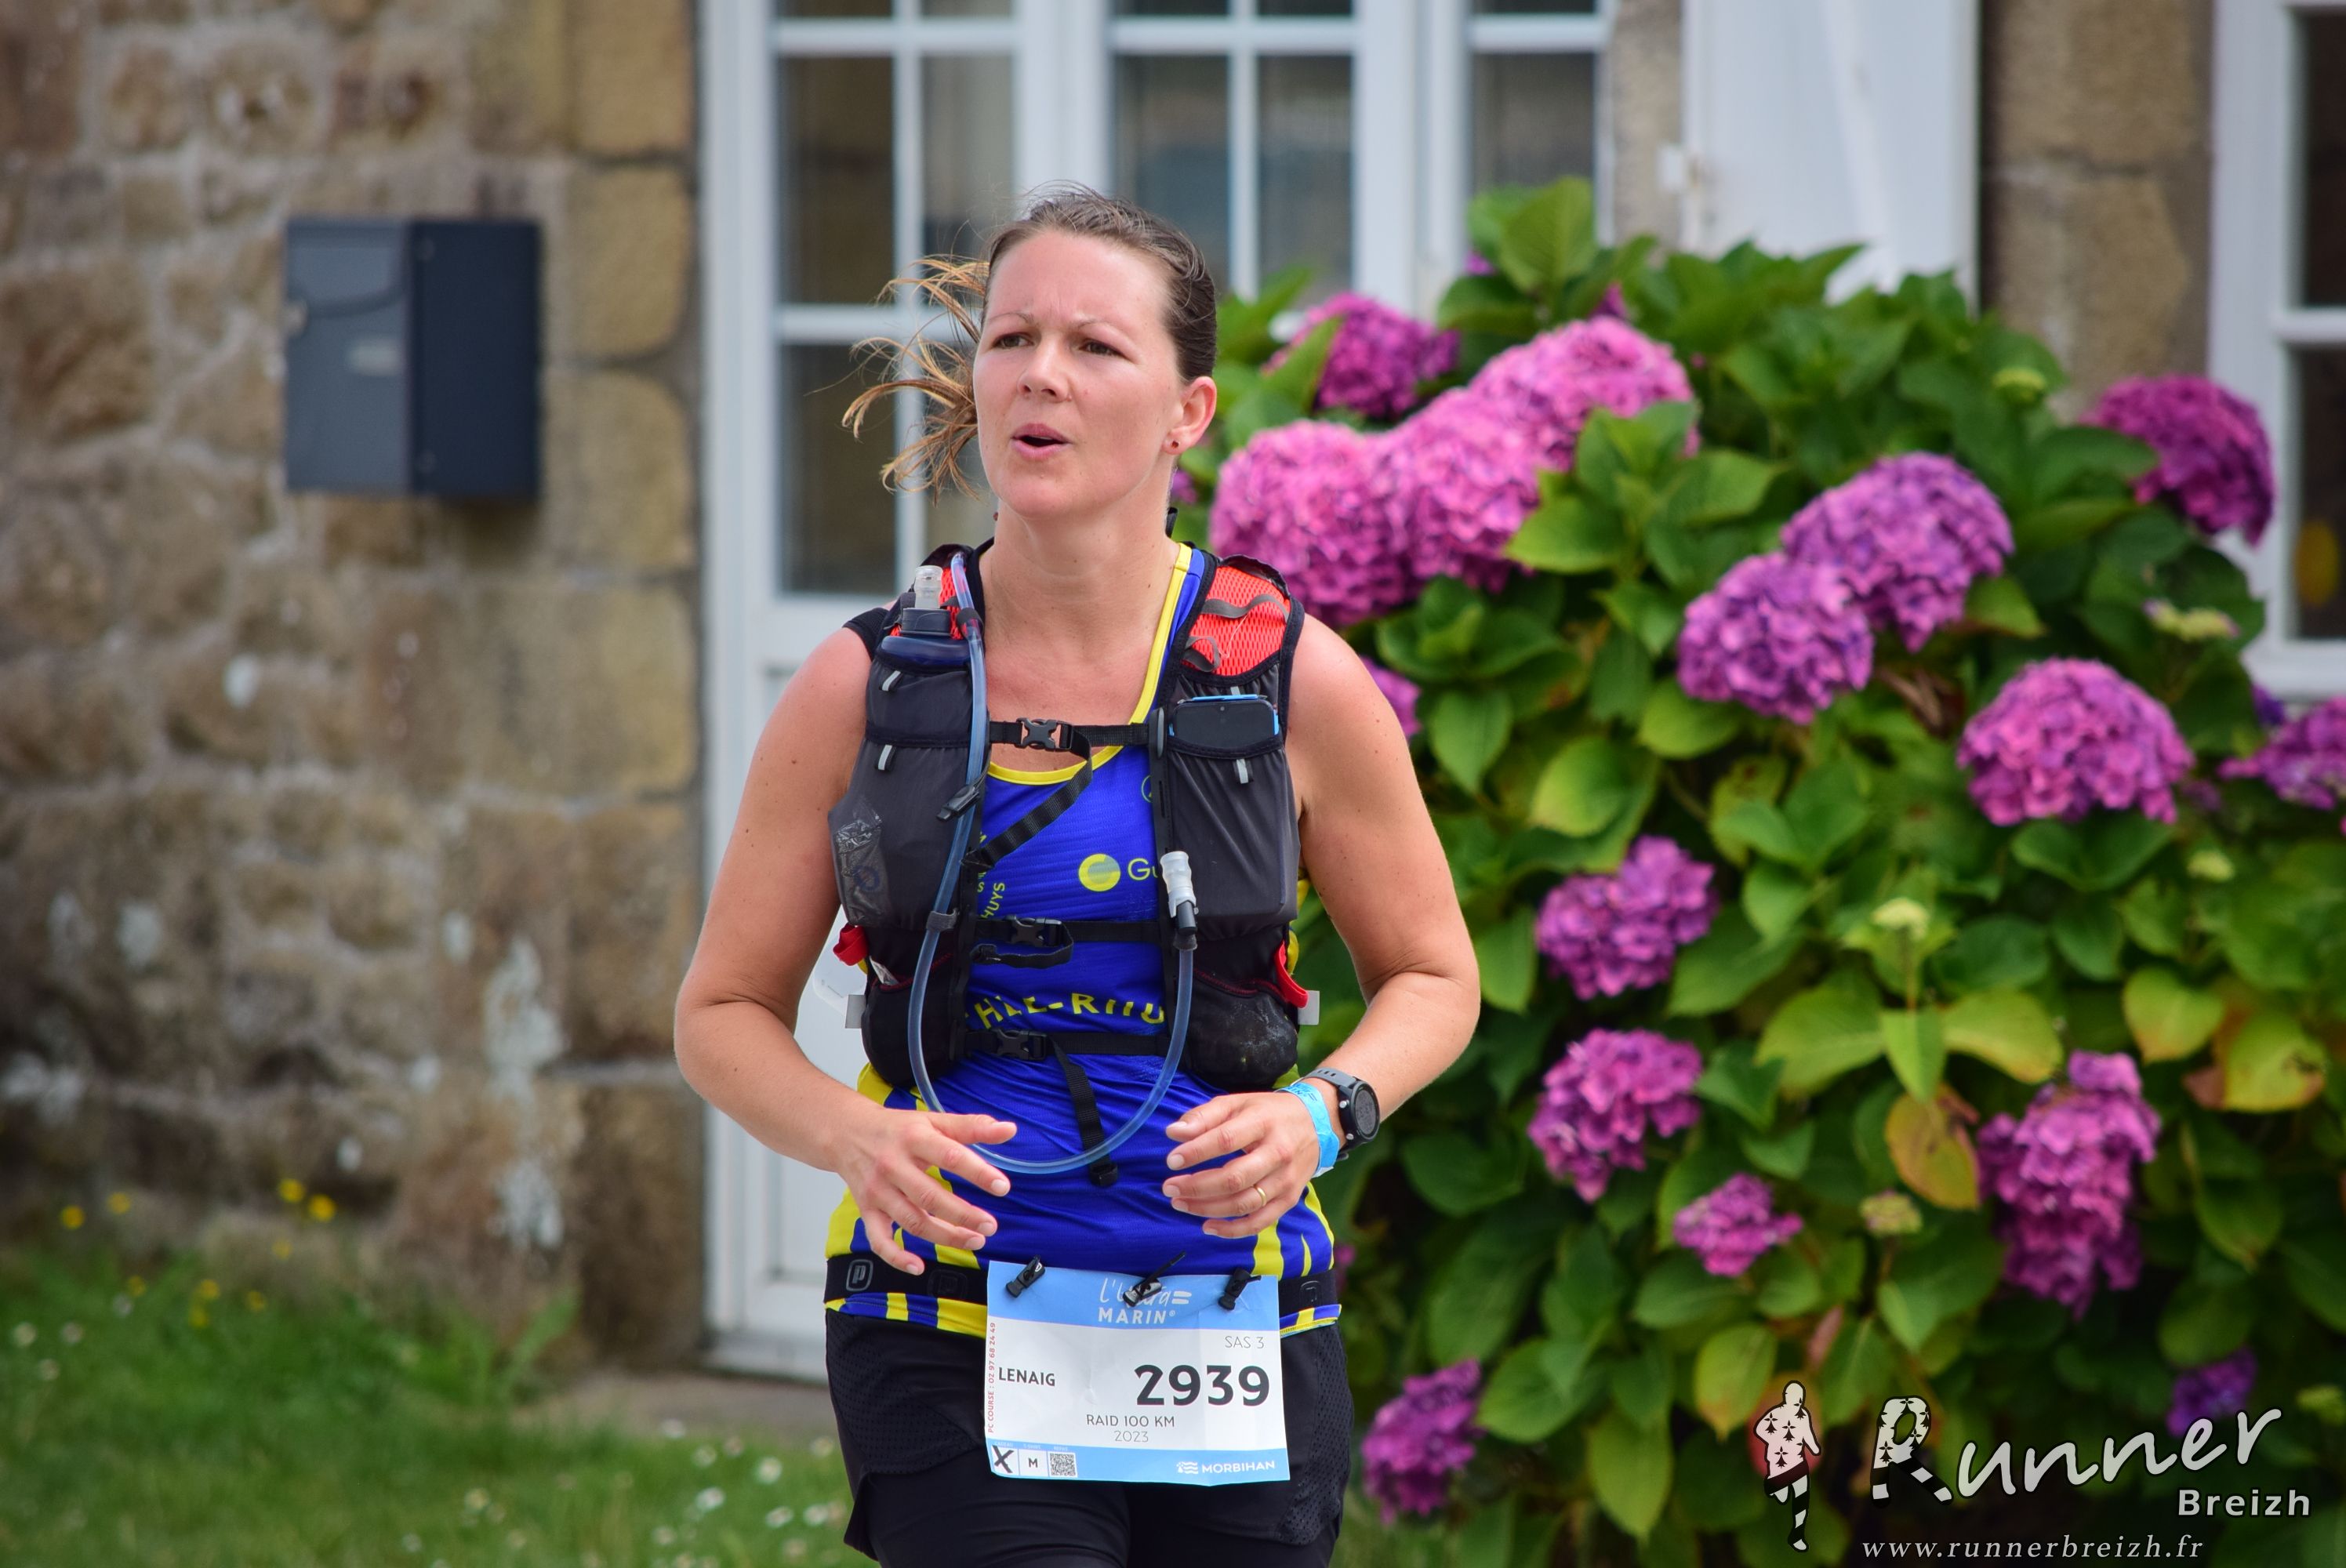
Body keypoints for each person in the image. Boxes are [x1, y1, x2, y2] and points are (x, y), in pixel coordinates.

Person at [673, 182, 1477, 1568]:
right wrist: (855, 1138)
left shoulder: (1296, 683)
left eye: (1096, 346)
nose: (1041, 374)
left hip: (1233, 1325)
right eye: (1012, 339)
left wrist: (1322, 1115)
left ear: (1188, 412)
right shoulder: (867, 684)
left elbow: (1435, 977)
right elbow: (719, 1013)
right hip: (948, 1318)